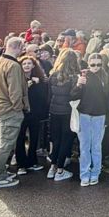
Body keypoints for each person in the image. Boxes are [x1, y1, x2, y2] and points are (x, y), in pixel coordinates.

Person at [0, 37, 29, 189]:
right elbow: (15, 91)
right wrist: (19, 108)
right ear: (17, 47)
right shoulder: (13, 65)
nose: (23, 50)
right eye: (22, 47)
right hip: (9, 109)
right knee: (5, 144)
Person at [74, 53, 109, 186]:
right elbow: (72, 96)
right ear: (88, 64)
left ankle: (95, 173)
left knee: (96, 147)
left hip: (100, 116)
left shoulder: (106, 77)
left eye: (98, 64)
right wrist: (78, 84)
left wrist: (108, 118)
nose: (96, 67)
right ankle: (84, 174)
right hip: (84, 115)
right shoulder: (83, 76)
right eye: (93, 64)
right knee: (84, 147)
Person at [41, 50, 74, 181]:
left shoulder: (53, 75)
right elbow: (74, 95)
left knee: (56, 140)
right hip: (68, 111)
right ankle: (60, 169)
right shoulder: (73, 76)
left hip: (54, 110)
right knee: (66, 140)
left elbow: (49, 95)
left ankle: (52, 168)